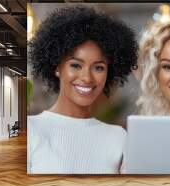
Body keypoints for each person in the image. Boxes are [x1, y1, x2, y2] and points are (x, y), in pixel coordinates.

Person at [27, 6, 137, 174]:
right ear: (57, 67)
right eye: (76, 65)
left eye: (98, 68)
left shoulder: (118, 137)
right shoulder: (31, 130)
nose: (87, 78)